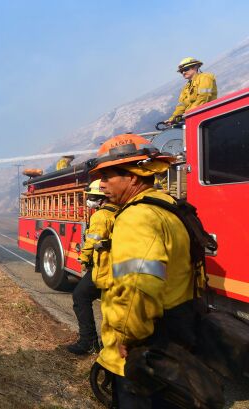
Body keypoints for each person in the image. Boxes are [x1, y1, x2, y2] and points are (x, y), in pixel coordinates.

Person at [89, 134, 195, 407]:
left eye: (107, 176)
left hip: (145, 343)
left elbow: (138, 284)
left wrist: (130, 339)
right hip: (176, 327)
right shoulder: (171, 207)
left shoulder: (136, 217)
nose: (101, 184)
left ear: (133, 177)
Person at [65, 180, 119, 355]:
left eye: (91, 197)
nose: (89, 201)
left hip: (102, 267)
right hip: (117, 267)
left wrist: (84, 260)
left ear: (100, 198)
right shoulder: (120, 212)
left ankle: (87, 342)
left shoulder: (100, 216)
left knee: (80, 296)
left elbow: (92, 242)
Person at [165, 57, 217, 125]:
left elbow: (203, 98)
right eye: (181, 71)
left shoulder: (205, 77)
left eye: (185, 69)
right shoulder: (186, 87)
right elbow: (182, 105)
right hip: (193, 117)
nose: (183, 72)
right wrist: (173, 119)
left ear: (195, 67)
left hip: (208, 117)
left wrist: (188, 114)